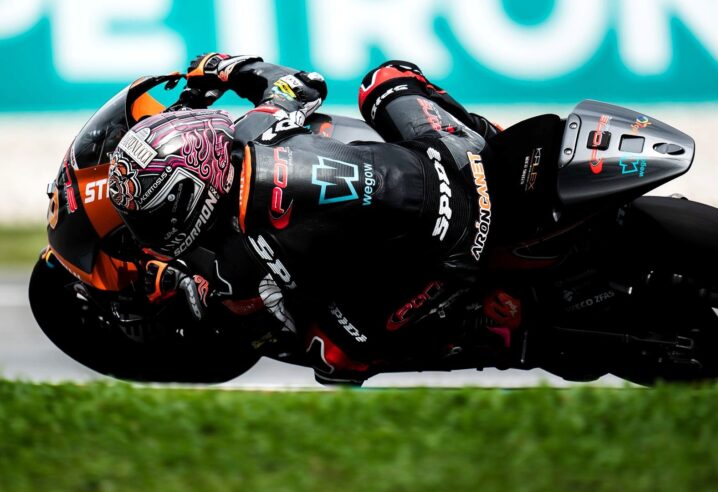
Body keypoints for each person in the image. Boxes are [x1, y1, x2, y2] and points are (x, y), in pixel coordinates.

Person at [108, 53, 524, 385]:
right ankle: (504, 147)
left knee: (336, 359)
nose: (151, 227)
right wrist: (228, 69)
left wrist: (185, 287)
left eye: (156, 214)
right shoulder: (259, 130)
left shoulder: (233, 263)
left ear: (190, 195)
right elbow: (305, 84)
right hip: (454, 156)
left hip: (454, 253)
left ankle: (482, 326)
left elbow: (265, 326)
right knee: (384, 79)